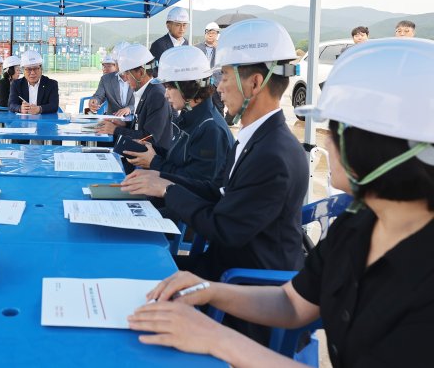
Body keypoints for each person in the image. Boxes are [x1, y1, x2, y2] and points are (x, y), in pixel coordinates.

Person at [128, 38, 434, 368]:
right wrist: (209, 291)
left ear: (387, 147)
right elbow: (292, 302)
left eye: (336, 128)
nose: (326, 140)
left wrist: (216, 338)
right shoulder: (359, 224)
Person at [121, 19, 308, 306]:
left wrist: (168, 189)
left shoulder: (272, 154)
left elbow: (224, 227)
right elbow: (216, 190)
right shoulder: (256, 139)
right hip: (225, 271)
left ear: (255, 83)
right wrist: (162, 181)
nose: (218, 87)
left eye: (225, 77)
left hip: (245, 291)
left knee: (131, 277)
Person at [125, 46, 233, 192]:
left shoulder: (210, 129)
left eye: (169, 87)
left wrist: (154, 162)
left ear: (187, 87)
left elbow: (197, 184)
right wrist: (153, 150)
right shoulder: (191, 117)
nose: (166, 94)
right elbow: (181, 159)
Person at [97, 44, 171, 158]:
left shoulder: (156, 95)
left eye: (127, 74)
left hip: (153, 160)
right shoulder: (147, 91)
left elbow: (149, 136)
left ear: (141, 73)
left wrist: (116, 130)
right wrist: (125, 124)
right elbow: (142, 126)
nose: (125, 79)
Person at [89, 42, 135, 116]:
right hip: (112, 122)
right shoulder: (106, 79)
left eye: (124, 62)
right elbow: (99, 96)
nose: (121, 66)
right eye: (118, 62)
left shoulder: (138, 79)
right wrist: (94, 101)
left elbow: (144, 103)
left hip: (134, 122)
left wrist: (129, 109)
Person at [149, 6, 190, 77]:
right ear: (168, 25)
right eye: (178, 25)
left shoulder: (186, 43)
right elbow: (153, 72)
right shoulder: (158, 45)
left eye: (184, 25)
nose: (182, 28)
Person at [195, 21, 224, 116]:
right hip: (201, 82)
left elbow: (225, 63)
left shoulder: (222, 48)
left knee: (219, 107)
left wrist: (218, 47)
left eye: (213, 33)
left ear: (218, 35)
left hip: (216, 82)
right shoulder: (197, 48)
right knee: (201, 106)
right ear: (205, 34)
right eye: (208, 33)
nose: (210, 35)